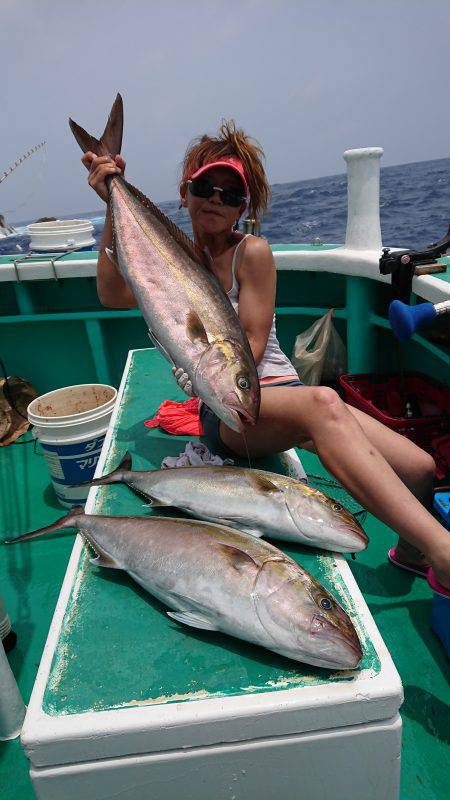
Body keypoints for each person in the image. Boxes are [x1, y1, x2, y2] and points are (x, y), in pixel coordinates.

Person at [81, 121, 450, 593]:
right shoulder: (166, 261)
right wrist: (113, 200)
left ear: (244, 207)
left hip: (260, 391)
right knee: (324, 405)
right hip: (230, 414)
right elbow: (112, 294)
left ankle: (412, 556)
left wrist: (208, 371)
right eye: (206, 188)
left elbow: (250, 346)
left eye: (231, 194)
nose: (216, 199)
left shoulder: (251, 253)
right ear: (185, 191)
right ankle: (443, 550)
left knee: (419, 466)